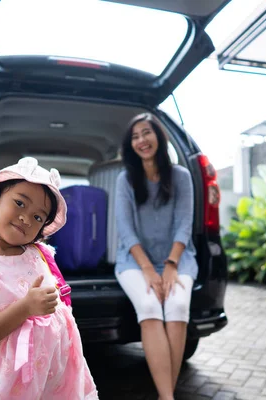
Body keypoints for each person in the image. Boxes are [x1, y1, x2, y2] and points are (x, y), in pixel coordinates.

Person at [0, 157, 98, 400]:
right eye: (19, 203)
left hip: (57, 383)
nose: (26, 218)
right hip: (6, 389)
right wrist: (25, 308)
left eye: (38, 217)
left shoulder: (43, 255)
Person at [115, 113, 198, 400]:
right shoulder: (125, 179)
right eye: (135, 136)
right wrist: (150, 270)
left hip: (179, 258)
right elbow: (126, 232)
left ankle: (166, 396)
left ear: (159, 137)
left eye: (146, 133)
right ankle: (168, 397)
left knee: (176, 308)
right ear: (130, 145)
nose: (141, 140)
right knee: (150, 306)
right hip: (134, 261)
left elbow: (184, 224)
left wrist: (171, 266)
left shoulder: (182, 177)